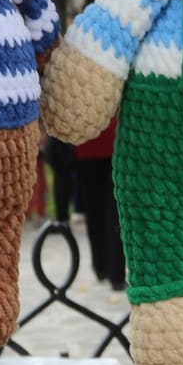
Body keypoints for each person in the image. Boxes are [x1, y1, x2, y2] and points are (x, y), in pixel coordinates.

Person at [74, 117, 125, 291]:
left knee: (95, 210)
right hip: (109, 142)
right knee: (112, 211)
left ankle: (103, 267)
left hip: (89, 143)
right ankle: (113, 272)